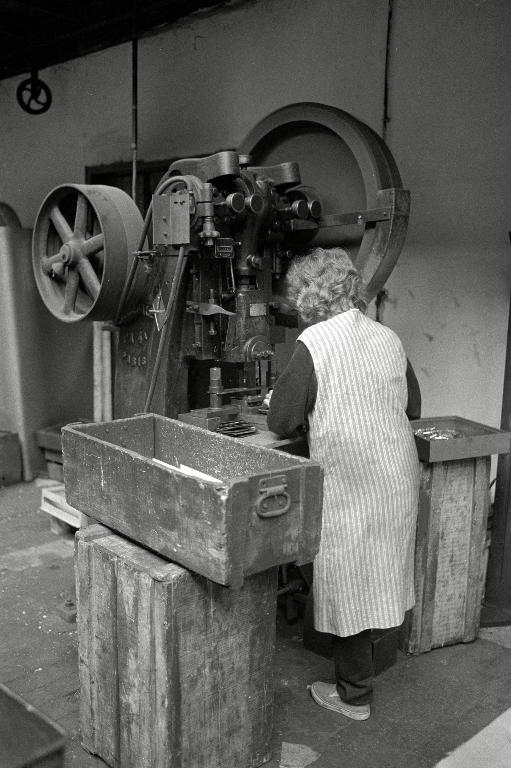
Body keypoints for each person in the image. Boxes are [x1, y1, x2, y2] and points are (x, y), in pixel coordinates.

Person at [267, 247, 420, 721]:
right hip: (395, 475)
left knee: (346, 578)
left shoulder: (314, 343)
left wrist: (289, 399)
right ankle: (364, 665)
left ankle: (354, 696)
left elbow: (282, 418)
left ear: (309, 297)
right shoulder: (387, 336)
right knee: (379, 570)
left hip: (352, 480)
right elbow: (412, 406)